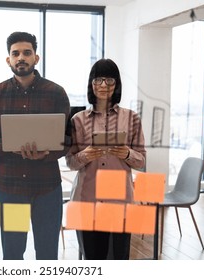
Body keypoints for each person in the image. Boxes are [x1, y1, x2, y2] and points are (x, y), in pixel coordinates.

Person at [0, 31, 70, 260]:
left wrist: (47, 153)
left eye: (27, 52)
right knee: (13, 254)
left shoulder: (56, 93)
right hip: (10, 188)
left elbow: (68, 140)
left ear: (37, 57)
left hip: (47, 188)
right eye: (15, 53)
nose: (21, 57)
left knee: (47, 254)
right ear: (8, 59)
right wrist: (10, 146)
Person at [65, 58, 146, 260]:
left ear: (116, 84)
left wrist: (126, 153)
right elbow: (70, 162)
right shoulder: (78, 119)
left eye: (109, 80)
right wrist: (85, 155)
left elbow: (142, 161)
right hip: (86, 199)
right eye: (98, 80)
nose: (103, 85)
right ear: (91, 84)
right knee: (93, 259)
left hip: (121, 200)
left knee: (119, 257)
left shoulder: (132, 118)